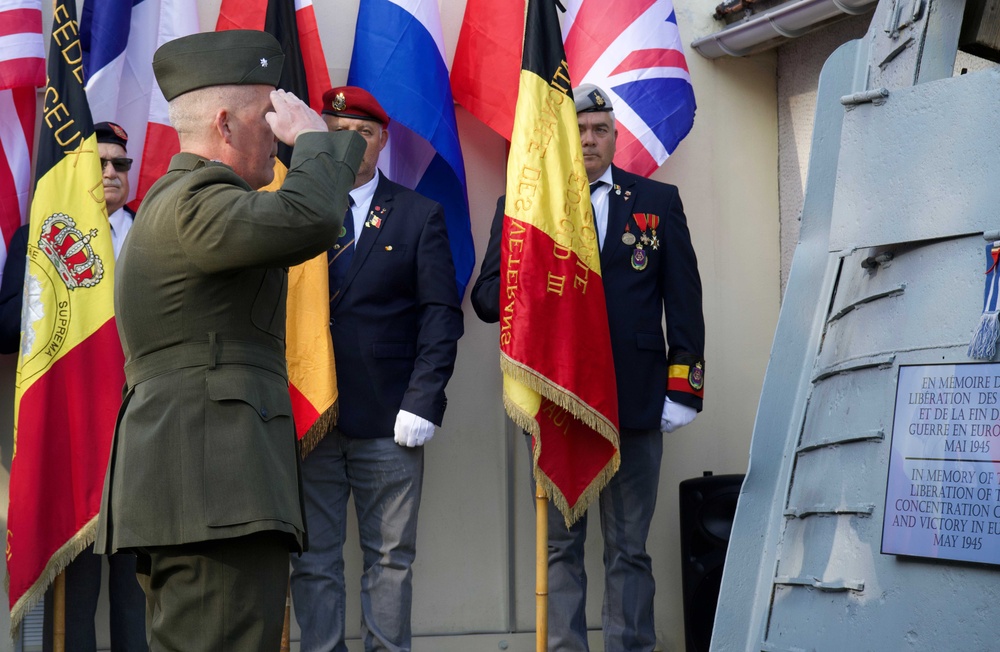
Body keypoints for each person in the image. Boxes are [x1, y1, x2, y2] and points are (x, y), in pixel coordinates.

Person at [93, 30, 366, 651]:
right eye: (266, 116)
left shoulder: (187, 203)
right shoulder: (195, 202)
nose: (276, 131)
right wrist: (317, 143)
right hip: (215, 492)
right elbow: (309, 217)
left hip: (209, 491)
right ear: (224, 124)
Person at [470, 83, 706, 652]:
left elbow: (685, 302)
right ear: (561, 140)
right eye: (579, 131)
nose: (590, 140)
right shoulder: (525, 208)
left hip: (635, 401)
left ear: (616, 138)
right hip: (558, 403)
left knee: (629, 548)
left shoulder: (657, 201)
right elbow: (484, 300)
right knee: (560, 546)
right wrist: (526, 269)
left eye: (600, 130)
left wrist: (684, 390)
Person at [288, 86, 464, 652]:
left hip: (390, 418)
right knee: (314, 559)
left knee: (390, 561)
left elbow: (440, 316)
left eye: (361, 134)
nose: (348, 145)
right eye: (335, 134)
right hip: (309, 417)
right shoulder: (290, 210)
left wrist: (424, 399)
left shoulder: (418, 215)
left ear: (382, 140)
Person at [0, 122, 147, 652]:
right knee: (77, 590)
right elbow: (4, 326)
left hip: (145, 429)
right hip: (76, 428)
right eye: (99, 164)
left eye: (121, 165)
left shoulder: (156, 229)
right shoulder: (39, 236)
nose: (111, 173)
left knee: (138, 587)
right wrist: (54, 286)